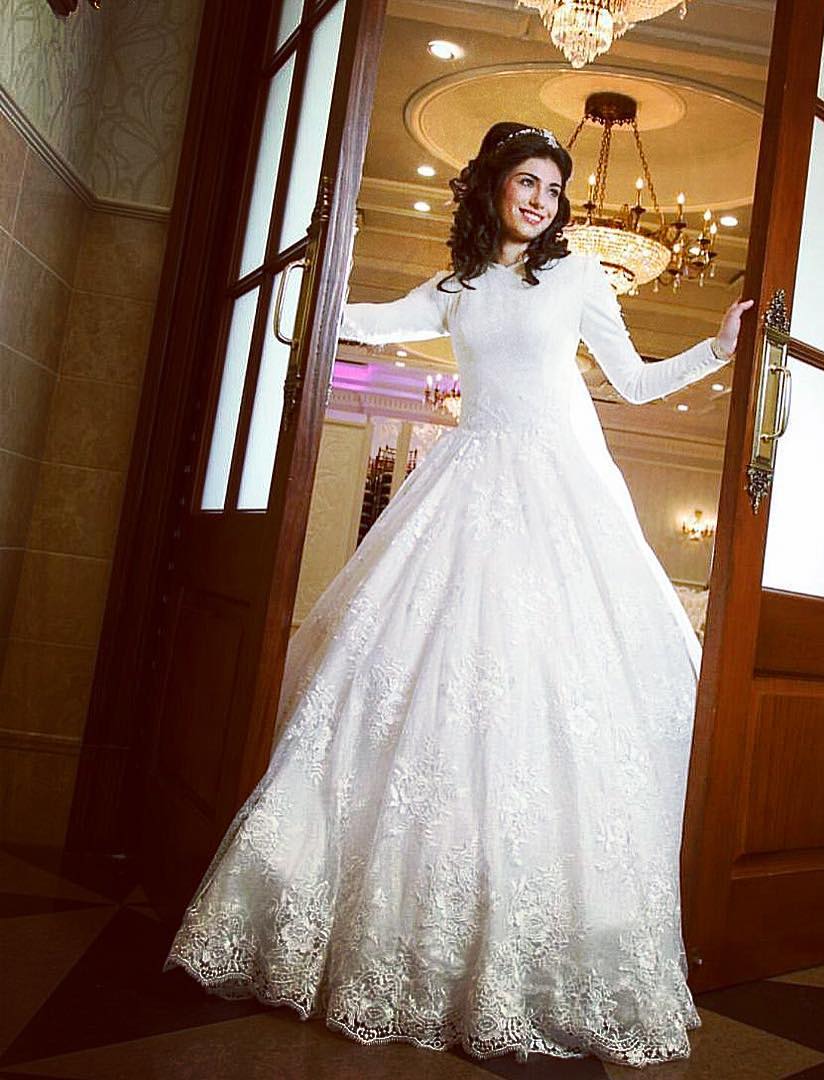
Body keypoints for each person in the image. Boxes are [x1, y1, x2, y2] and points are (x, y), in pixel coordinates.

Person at [164, 120, 753, 1068]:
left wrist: (719, 347)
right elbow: (367, 322)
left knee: (544, 689)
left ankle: (537, 944)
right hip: (466, 484)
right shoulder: (455, 287)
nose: (542, 201)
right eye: (528, 183)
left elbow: (637, 385)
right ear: (492, 188)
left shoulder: (579, 276)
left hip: (556, 498)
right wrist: (305, 279)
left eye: (554, 189)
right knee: (415, 683)